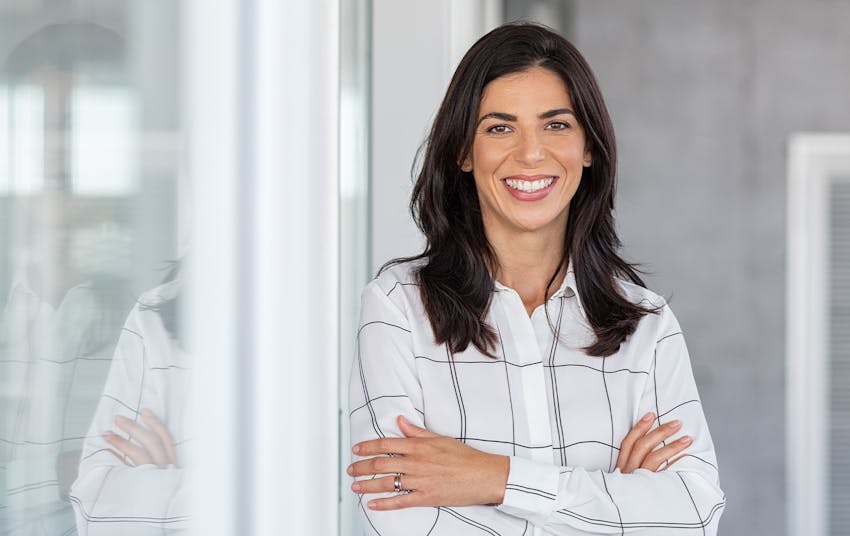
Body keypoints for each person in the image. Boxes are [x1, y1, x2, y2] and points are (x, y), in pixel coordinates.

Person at [348, 22, 725, 535]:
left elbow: (694, 516)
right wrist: (613, 501)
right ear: (464, 152)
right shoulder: (398, 309)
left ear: (587, 148)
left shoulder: (647, 326)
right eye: (500, 127)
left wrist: (495, 479)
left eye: (556, 125)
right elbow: (397, 517)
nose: (530, 154)